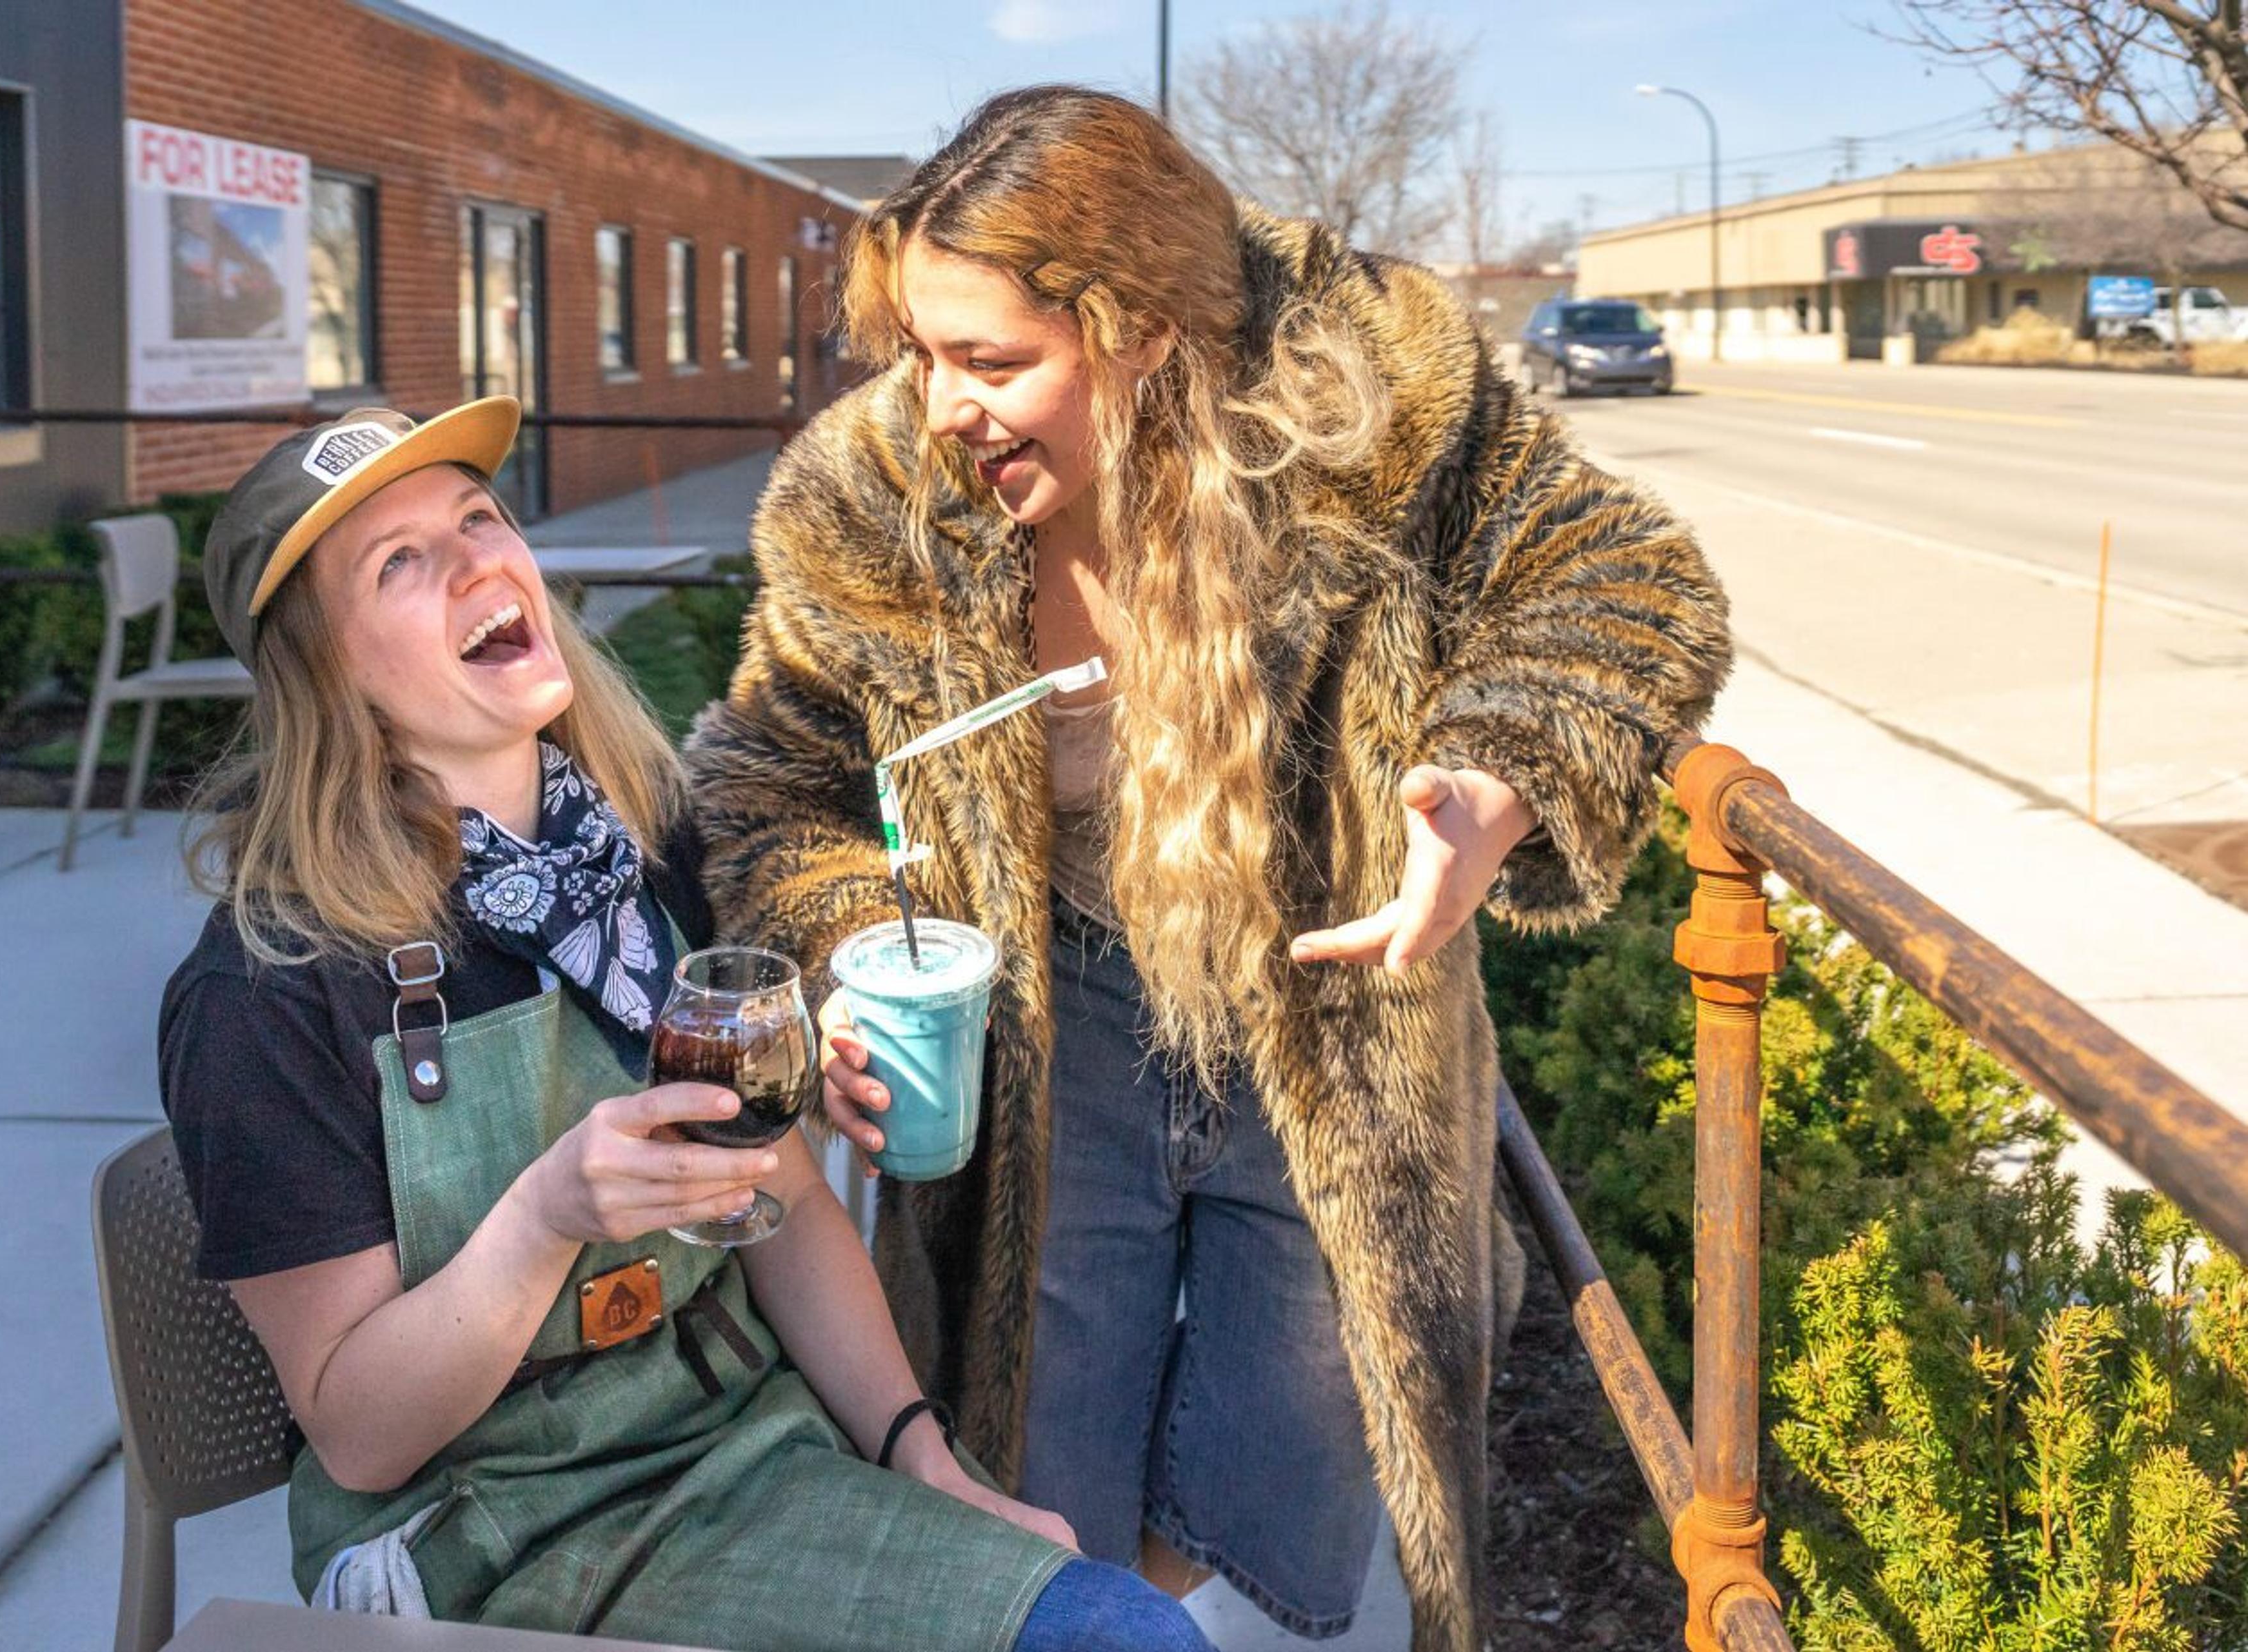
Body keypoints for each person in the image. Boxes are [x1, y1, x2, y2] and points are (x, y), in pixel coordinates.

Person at [682, 87, 1731, 1648]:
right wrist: (851, 953)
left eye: (992, 361)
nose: (940, 404)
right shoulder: (878, 500)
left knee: (1298, 1448)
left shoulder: (1378, 408)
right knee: (1042, 1450)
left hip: (1324, 998)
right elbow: (770, 787)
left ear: (1145, 332)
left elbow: (1627, 580)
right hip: (1049, 1030)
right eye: (920, 352)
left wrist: (1501, 777)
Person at [157, 395, 1217, 1651]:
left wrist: (921, 1453)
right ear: (325, 670)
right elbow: (362, 1433)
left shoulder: (643, 857)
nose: (479, 560)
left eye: (480, 518)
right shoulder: (271, 987)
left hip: (745, 1455)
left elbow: (787, 1204)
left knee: (1121, 1630)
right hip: (488, 1541)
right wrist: (550, 1218)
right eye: (400, 563)